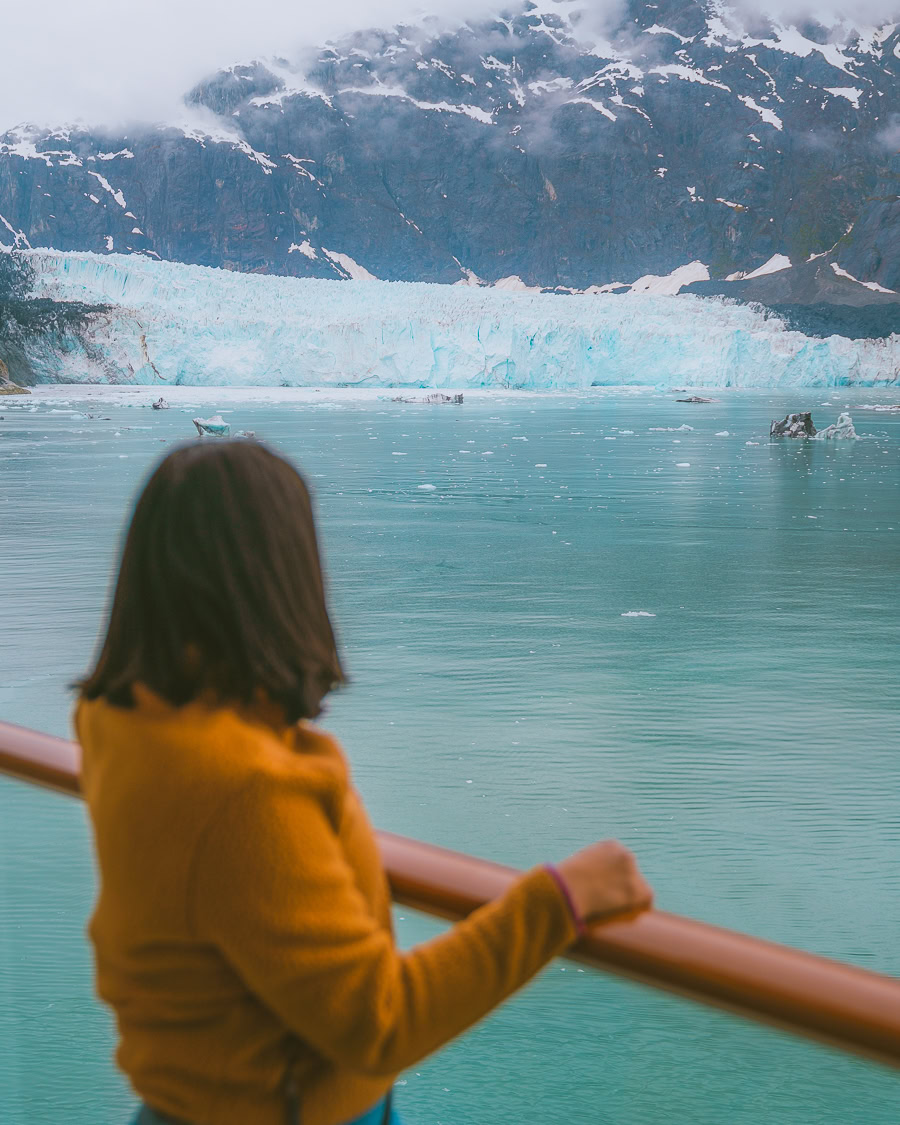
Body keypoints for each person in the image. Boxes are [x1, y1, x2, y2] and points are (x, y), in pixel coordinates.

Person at [74, 440, 653, 1125]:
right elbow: (379, 1021)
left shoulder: (123, 719)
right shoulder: (246, 794)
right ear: (278, 575)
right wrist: (561, 898)